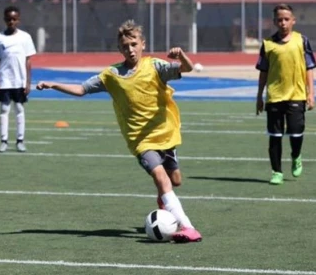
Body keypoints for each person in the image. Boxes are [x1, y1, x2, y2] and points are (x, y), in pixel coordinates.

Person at [36, 20, 202, 243]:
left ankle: (165, 200)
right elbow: (81, 89)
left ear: (143, 44)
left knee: (175, 180)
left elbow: (187, 68)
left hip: (166, 134)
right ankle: (187, 227)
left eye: (134, 44)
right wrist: (54, 85)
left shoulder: (155, 66)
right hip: (140, 141)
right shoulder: (111, 75)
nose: (130, 49)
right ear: (119, 49)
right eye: (125, 46)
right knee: (161, 177)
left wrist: (181, 55)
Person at [255, 4, 316, 185]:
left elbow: (309, 69)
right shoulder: (268, 44)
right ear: (274, 22)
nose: (283, 23)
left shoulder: (302, 40)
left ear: (293, 21)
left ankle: (296, 155)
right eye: (279, 19)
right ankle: (276, 172)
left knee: (296, 133)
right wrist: (259, 96)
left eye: (286, 19)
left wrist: (311, 93)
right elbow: (263, 72)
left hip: (297, 95)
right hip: (274, 96)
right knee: (275, 137)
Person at [0, 5, 36, 153]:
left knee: (19, 108)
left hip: (19, 81)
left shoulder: (25, 37)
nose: (11, 22)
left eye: (14, 19)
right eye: (9, 19)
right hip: (5, 81)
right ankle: (4, 141)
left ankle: (20, 140)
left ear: (18, 20)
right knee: (4, 109)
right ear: (5, 20)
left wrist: (28, 82)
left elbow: (28, 61)